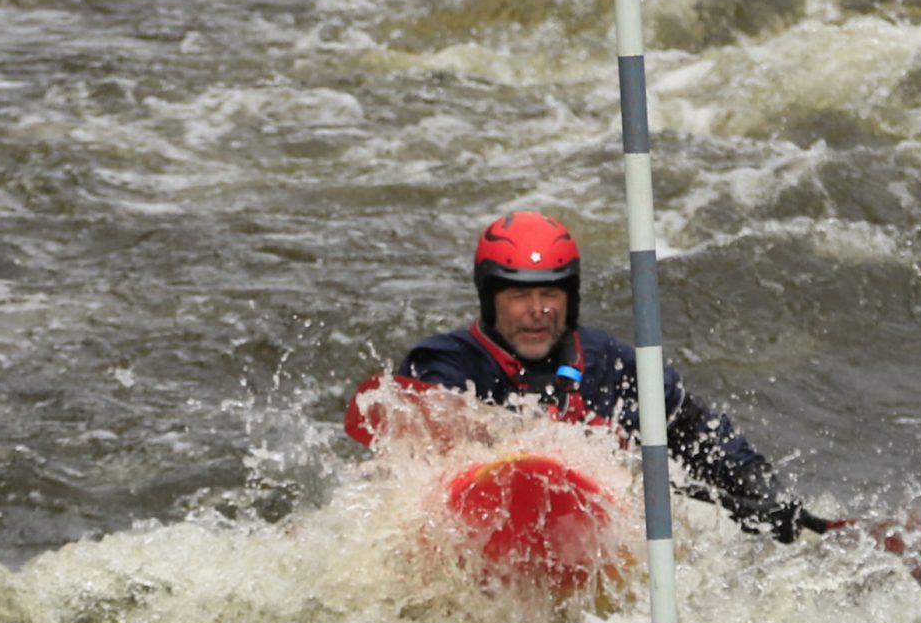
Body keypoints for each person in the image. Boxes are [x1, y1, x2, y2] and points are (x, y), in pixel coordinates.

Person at [350, 210, 828, 542]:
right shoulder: (444, 363)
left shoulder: (613, 364)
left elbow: (697, 433)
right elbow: (430, 444)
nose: (537, 312)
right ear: (489, 298)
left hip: (594, 535)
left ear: (570, 298)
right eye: (519, 296)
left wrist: (757, 487)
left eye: (551, 295)